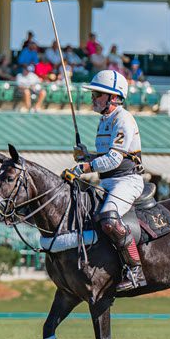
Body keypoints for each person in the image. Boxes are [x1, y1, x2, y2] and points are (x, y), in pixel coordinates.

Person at [64, 69, 147, 291]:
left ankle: (134, 269)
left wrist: (85, 166)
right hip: (108, 182)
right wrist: (87, 155)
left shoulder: (123, 119)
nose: (93, 98)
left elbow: (114, 158)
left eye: (98, 94)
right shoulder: (104, 121)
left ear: (113, 97)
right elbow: (104, 156)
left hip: (126, 181)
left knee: (109, 219)